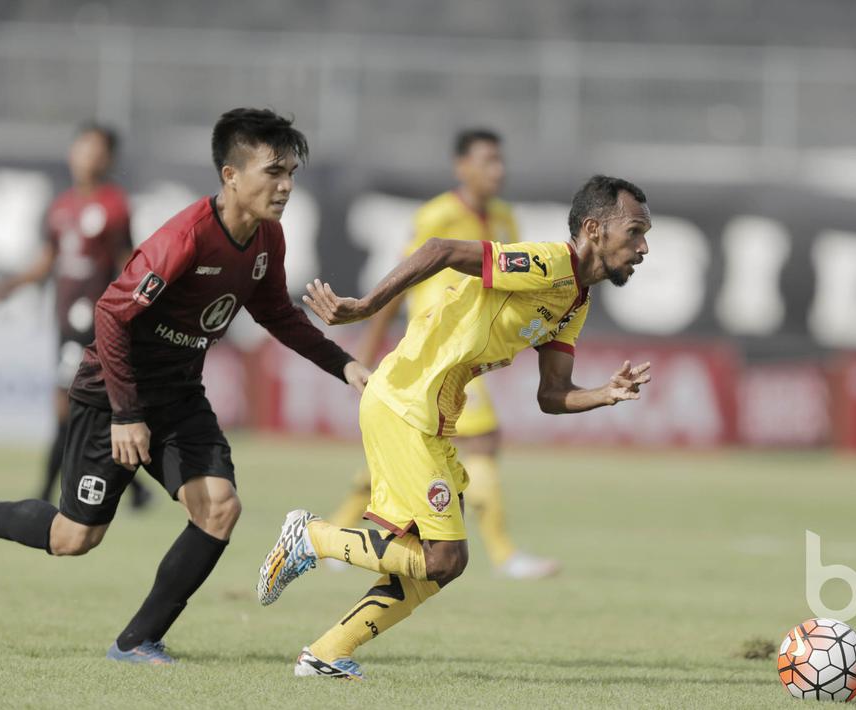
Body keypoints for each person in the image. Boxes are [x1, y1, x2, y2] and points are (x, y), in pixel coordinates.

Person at [0, 108, 368, 664]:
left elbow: (276, 314)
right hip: (114, 391)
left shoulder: (267, 239)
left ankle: (137, 640)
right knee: (74, 538)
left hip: (180, 395)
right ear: (231, 175)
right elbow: (112, 316)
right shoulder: (184, 238)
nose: (285, 186)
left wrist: (345, 365)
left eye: (291, 173)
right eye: (272, 172)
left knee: (219, 508)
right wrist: (125, 412)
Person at [257, 175, 653, 680]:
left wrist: (605, 393)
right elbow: (441, 249)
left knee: (443, 563)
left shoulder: (575, 301)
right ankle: (311, 536)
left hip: (433, 414)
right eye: (635, 231)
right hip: (408, 401)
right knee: (443, 557)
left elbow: (551, 395)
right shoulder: (549, 264)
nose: (643, 247)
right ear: (594, 229)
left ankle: (326, 653)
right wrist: (368, 306)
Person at [328, 128, 558, 580]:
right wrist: (369, 345)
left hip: (469, 346)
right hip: (439, 349)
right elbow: (402, 278)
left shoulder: (506, 219)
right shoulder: (438, 215)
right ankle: (505, 554)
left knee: (407, 445)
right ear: (462, 167)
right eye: (488, 160)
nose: (499, 170)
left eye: (500, 160)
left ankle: (337, 531)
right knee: (481, 442)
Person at [0, 123, 153, 508]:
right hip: (65, 322)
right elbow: (45, 264)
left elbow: (128, 264)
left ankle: (42, 496)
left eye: (95, 149)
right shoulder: (62, 207)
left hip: (95, 323)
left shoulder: (114, 206)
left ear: (108, 158)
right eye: (81, 147)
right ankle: (137, 491)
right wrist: (0, 291)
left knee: (66, 409)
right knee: (88, 411)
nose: (86, 155)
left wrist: (140, 309)